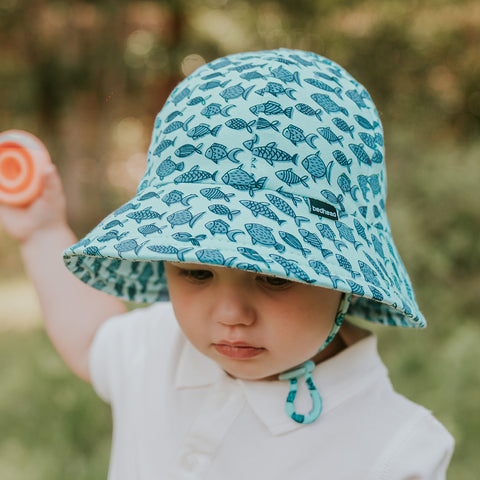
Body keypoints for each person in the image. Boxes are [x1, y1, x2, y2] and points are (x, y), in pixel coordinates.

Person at [0, 48, 454, 479]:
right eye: (197, 272)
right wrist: (41, 233)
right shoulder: (163, 346)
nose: (230, 313)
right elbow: (89, 339)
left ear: (344, 278)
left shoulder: (394, 452)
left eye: (273, 277)